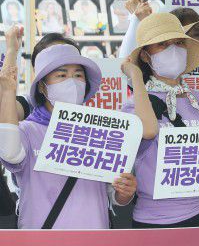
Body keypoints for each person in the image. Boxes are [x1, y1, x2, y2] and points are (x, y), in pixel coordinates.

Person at [120, 13, 199, 228]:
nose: (173, 49)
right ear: (145, 56)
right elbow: (148, 131)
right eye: (162, 44)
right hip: (155, 221)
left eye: (179, 42)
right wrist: (135, 76)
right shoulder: (136, 104)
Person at [0, 44, 136, 229]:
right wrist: (8, 92)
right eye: (61, 75)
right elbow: (10, 153)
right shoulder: (28, 130)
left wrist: (124, 192)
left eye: (78, 75)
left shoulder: (100, 131)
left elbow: (113, 192)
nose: (72, 82)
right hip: (42, 240)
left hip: (95, 238)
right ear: (42, 86)